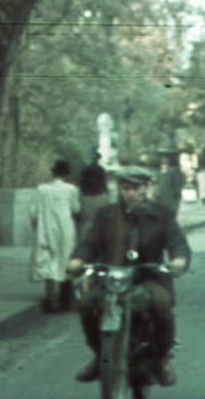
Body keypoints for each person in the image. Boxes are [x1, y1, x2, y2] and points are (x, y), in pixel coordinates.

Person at [68, 165, 191, 385]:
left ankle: (162, 359)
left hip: (148, 277)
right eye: (125, 188)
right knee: (86, 304)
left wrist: (178, 260)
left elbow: (176, 241)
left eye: (136, 188)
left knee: (161, 306)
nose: (131, 193)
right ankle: (100, 356)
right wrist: (78, 259)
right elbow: (90, 241)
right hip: (112, 279)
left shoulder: (161, 214)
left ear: (147, 187)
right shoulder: (106, 214)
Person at [29, 159, 81, 313]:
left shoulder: (41, 189)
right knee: (65, 262)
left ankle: (51, 299)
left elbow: (33, 211)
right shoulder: (71, 189)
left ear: (53, 172)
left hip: (45, 229)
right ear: (67, 174)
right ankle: (66, 300)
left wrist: (35, 226)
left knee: (47, 262)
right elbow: (76, 209)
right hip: (65, 230)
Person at [77, 151, 111, 244]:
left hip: (86, 196)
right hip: (99, 195)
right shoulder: (101, 169)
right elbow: (104, 183)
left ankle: (84, 241)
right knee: (98, 220)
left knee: (86, 221)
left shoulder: (85, 169)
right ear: (98, 159)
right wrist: (107, 194)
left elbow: (81, 182)